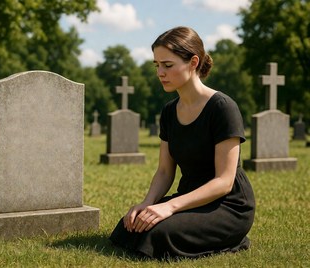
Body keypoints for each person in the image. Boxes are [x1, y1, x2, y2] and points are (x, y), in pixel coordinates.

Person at [109, 26, 255, 260]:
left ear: (193, 62)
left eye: (167, 65)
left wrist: (170, 206)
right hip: (188, 198)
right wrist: (147, 203)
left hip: (227, 206)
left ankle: (234, 236)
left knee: (157, 233)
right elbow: (165, 171)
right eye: (156, 65)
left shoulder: (222, 108)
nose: (160, 73)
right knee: (130, 226)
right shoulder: (168, 112)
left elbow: (224, 182)